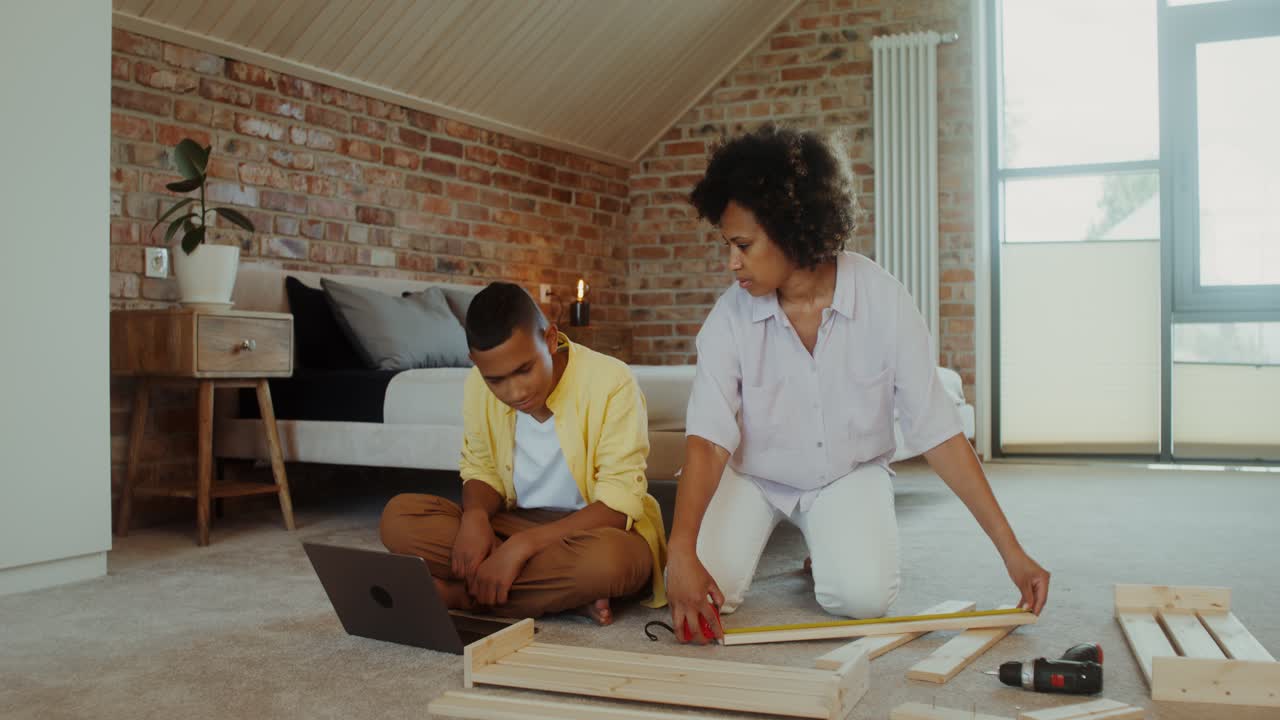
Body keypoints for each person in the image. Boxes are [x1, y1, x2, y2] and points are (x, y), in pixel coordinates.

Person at [665, 124, 1049, 644]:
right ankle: (797, 539)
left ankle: (825, 546)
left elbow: (938, 432)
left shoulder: (883, 300)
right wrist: (681, 552)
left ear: (792, 229)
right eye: (728, 245)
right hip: (753, 475)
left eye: (743, 245)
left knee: (862, 598)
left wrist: (1013, 551)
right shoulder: (728, 319)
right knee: (712, 591)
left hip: (845, 474)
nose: (731, 261)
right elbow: (708, 441)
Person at [380, 282, 667, 625]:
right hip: (513, 521)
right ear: (476, 364)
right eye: (496, 380)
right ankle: (565, 599)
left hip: (594, 531)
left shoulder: (613, 382)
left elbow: (620, 505)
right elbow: (481, 468)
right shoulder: (476, 383)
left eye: (524, 370)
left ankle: (465, 597)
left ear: (549, 340)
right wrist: (475, 518)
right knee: (399, 519)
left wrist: (522, 547)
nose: (514, 391)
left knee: (612, 563)